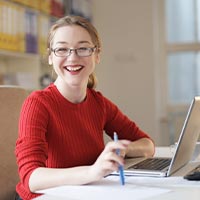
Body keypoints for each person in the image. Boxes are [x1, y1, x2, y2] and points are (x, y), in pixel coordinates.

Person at [15, 15, 155, 200]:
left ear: (97, 55)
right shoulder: (38, 104)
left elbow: (147, 145)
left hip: (86, 193)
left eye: (83, 48)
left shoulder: (99, 103)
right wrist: (93, 172)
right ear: (50, 57)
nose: (72, 57)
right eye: (62, 49)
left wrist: (120, 150)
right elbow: (31, 178)